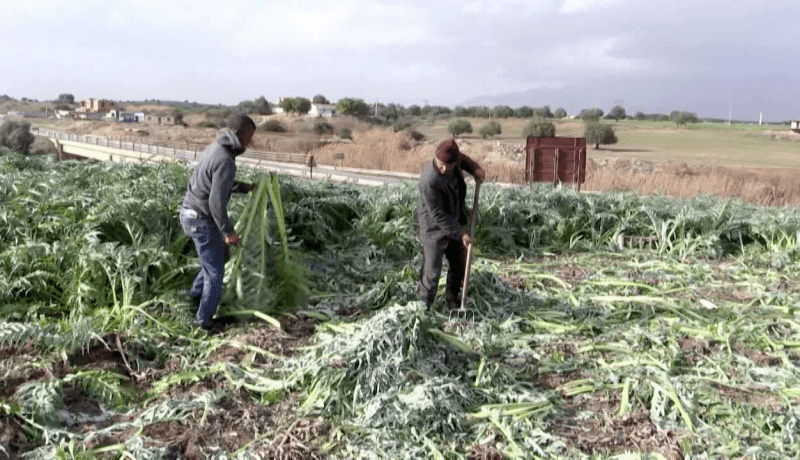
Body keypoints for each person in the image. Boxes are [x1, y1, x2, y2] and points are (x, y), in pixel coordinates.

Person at [179, 114, 257, 333]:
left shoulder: (215, 148)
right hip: (201, 219)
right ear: (240, 135)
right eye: (249, 137)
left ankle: (195, 299)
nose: (249, 143)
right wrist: (228, 231)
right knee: (215, 272)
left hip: (191, 213)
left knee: (213, 260)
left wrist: (246, 188)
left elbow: (219, 185)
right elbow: (215, 201)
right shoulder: (225, 160)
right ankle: (204, 321)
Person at [417, 139, 486, 309]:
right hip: (433, 226)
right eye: (441, 164)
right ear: (436, 158)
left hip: (455, 217)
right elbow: (438, 215)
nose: (444, 169)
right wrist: (461, 233)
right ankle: (424, 305)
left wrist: (476, 169)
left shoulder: (454, 160)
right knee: (432, 270)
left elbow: (464, 160)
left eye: (449, 165)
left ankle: (452, 299)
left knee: (458, 262)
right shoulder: (429, 181)